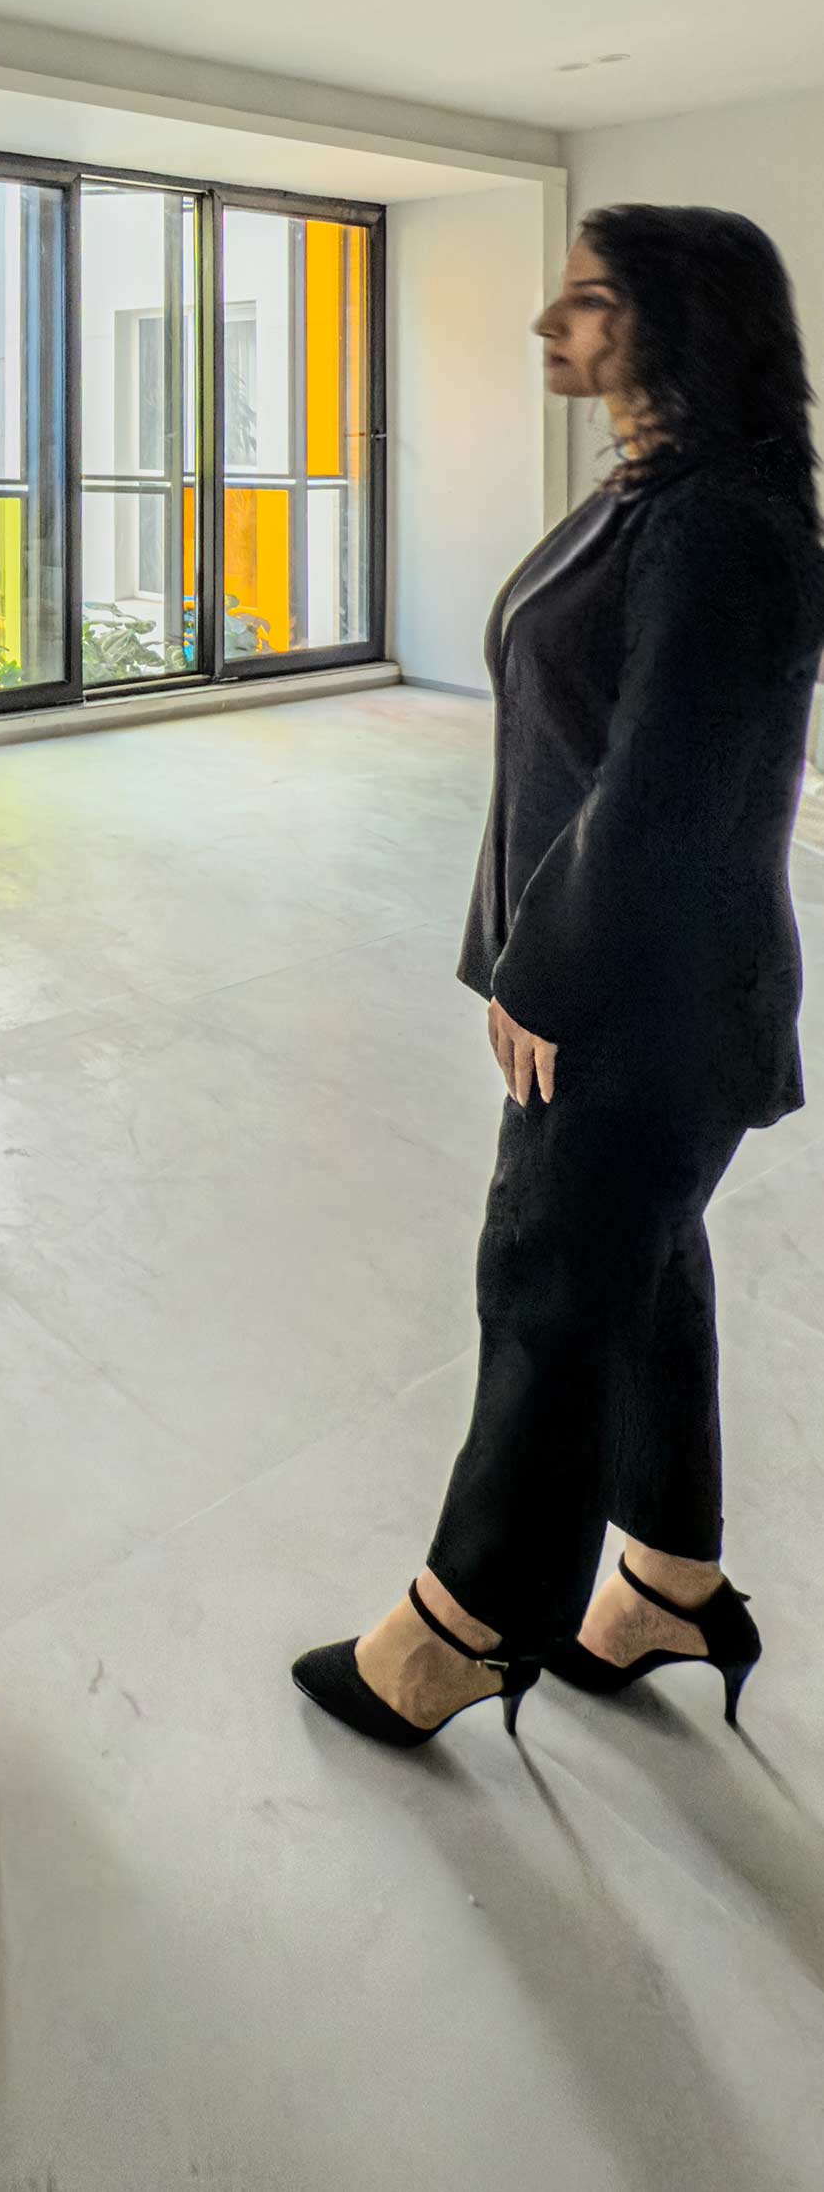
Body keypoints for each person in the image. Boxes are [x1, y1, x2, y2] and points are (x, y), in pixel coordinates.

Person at [294, 205, 824, 1749]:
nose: (549, 325)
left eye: (587, 302)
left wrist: (545, 978)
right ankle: (663, 1582)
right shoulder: (652, 496)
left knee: (543, 1278)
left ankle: (462, 1630)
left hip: (643, 994)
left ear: (677, 323)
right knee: (637, 1263)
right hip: (631, 976)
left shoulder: (721, 527)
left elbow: (656, 793)